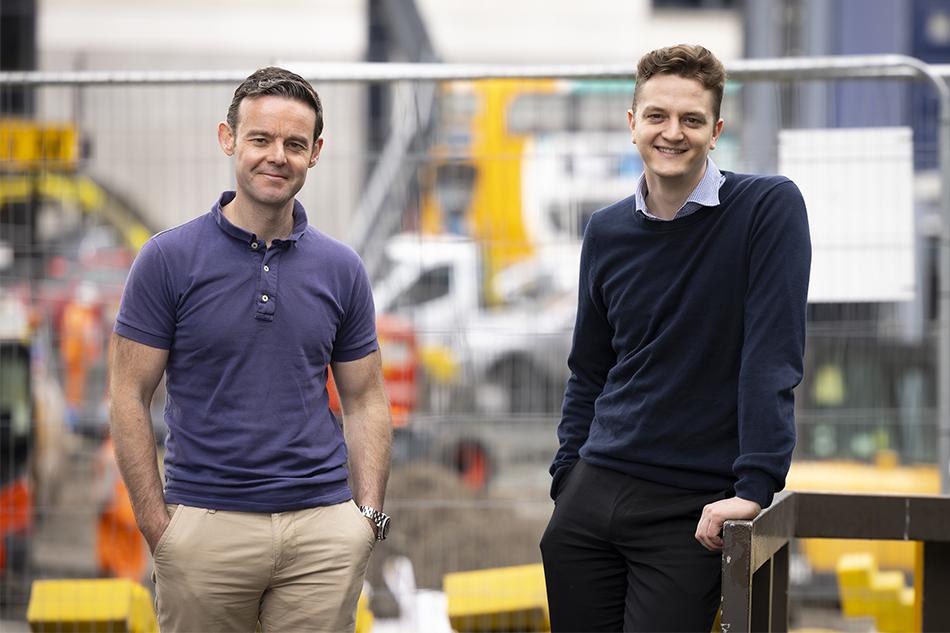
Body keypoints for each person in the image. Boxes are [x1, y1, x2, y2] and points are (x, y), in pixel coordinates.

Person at [109, 67, 393, 633]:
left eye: (294, 144)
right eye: (260, 139)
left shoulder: (341, 269)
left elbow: (366, 399)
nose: (276, 157)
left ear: (315, 153)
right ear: (228, 139)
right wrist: (156, 525)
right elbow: (127, 395)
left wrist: (364, 519)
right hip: (205, 529)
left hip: (321, 531)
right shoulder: (168, 260)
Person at [540, 44, 811, 632]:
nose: (673, 133)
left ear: (716, 132)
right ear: (632, 123)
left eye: (691, 120)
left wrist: (756, 483)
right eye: (657, 116)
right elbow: (590, 367)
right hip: (592, 493)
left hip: (693, 507)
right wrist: (568, 476)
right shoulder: (607, 230)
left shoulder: (766, 208)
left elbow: (772, 354)